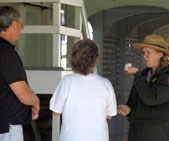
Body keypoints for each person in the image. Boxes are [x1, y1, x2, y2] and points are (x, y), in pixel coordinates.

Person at [49, 39, 117, 141]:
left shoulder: (67, 81)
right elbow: (110, 115)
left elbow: (56, 111)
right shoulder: (105, 84)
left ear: (74, 58)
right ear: (96, 59)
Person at [118, 34, 169, 141]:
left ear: (160, 54)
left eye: (148, 53)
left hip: (156, 133)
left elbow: (151, 99)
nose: (144, 56)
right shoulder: (143, 75)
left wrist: (137, 75)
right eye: (144, 52)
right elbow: (134, 100)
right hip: (136, 131)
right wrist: (129, 109)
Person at [0, 6, 40, 141]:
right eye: (21, 27)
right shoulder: (5, 53)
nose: (20, 31)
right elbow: (23, 93)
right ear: (14, 25)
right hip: (6, 126)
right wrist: (36, 102)